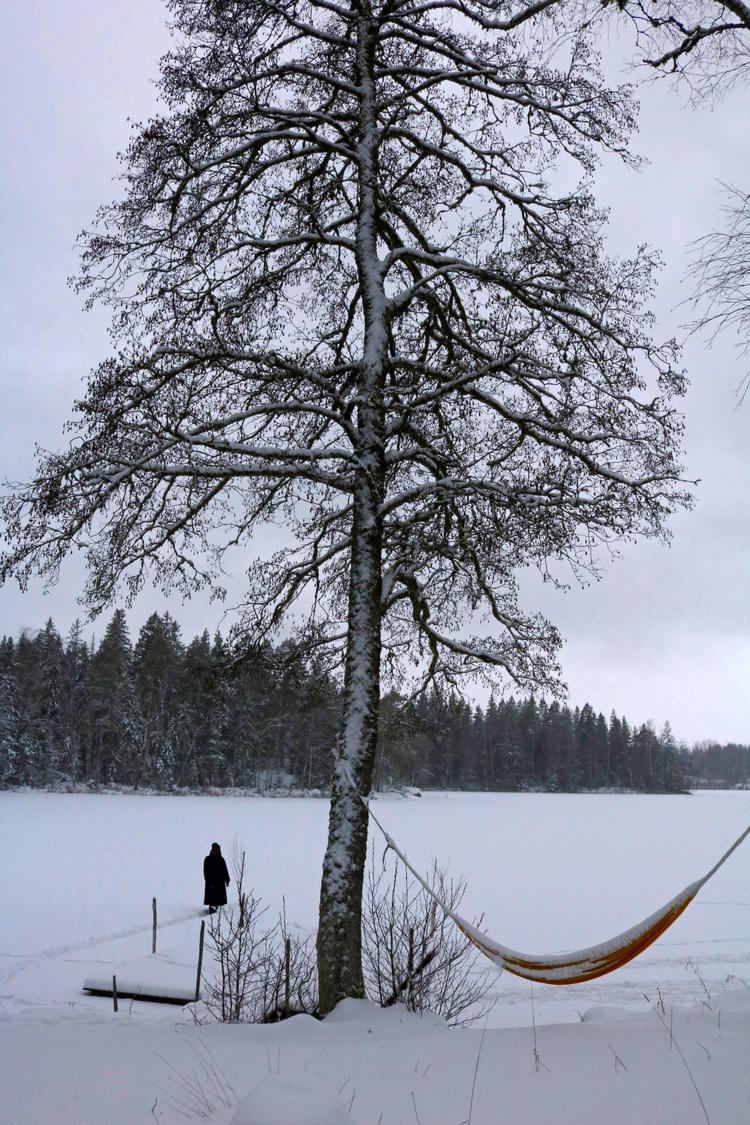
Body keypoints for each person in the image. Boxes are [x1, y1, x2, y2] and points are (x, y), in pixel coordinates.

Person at [203, 842, 230, 913]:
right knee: (213, 898)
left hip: (218, 882)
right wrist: (207, 879)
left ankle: (214, 908)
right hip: (212, 882)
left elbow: (225, 870)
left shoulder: (220, 859)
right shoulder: (208, 859)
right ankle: (213, 909)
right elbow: (205, 871)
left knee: (217, 898)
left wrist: (227, 880)